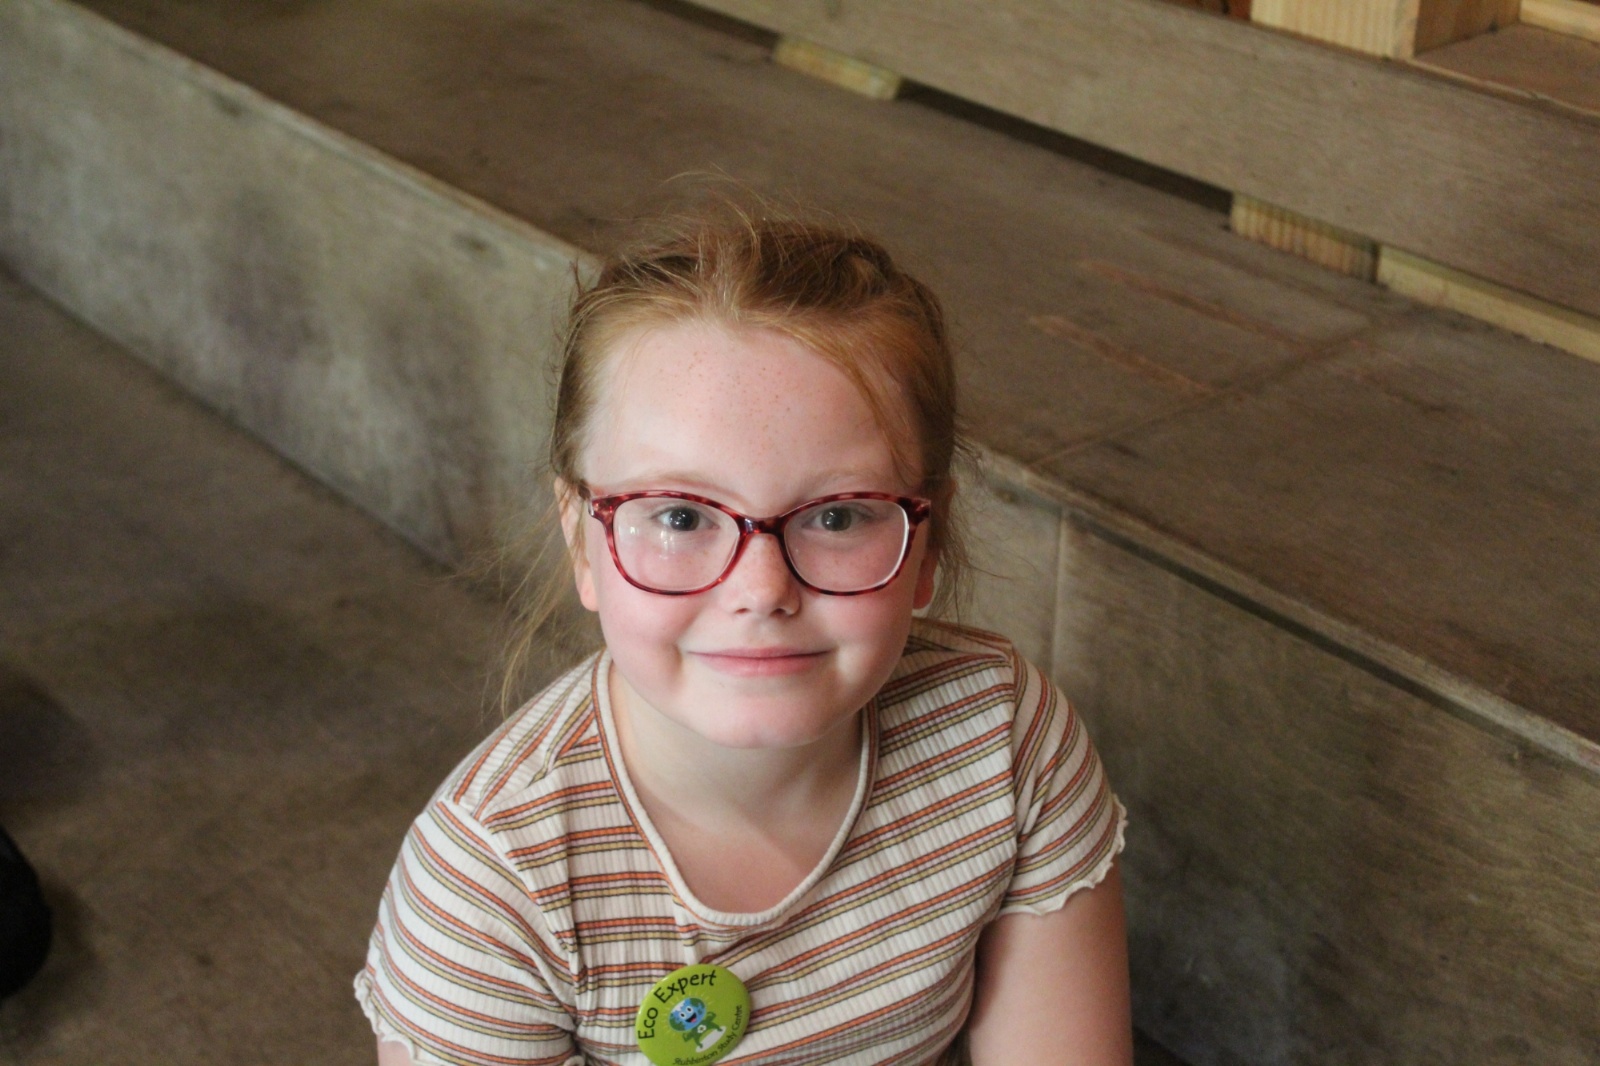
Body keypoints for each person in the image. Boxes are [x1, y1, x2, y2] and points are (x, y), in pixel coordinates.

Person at [355, 203, 1131, 1065]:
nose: (762, 591)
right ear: (582, 539)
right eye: (681, 516)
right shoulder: (493, 888)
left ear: (928, 542)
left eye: (837, 515)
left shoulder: (1003, 740)